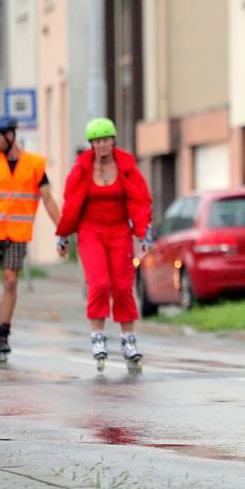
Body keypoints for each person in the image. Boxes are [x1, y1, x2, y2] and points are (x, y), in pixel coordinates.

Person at [55, 118, 152, 373]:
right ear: (91, 144)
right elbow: (71, 202)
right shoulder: (82, 169)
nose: (102, 145)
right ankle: (98, 337)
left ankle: (128, 340)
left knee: (122, 286)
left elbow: (141, 200)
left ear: (113, 140)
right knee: (99, 284)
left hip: (120, 230)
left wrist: (144, 235)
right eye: (97, 141)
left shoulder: (127, 166)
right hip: (91, 231)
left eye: (106, 139)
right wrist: (63, 235)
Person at [0, 115, 63, 365]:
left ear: (10, 135)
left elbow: (48, 199)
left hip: (17, 235)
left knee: (10, 281)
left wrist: (62, 229)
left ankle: (2, 336)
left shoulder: (35, 165)